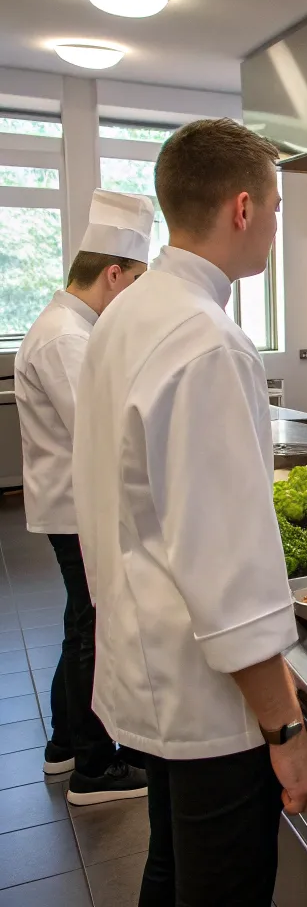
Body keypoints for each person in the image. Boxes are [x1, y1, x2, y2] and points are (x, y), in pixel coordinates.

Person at [72, 119, 307, 906]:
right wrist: (285, 731)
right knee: (220, 885)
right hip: (207, 694)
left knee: (171, 870)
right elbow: (226, 567)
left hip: (148, 665)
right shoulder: (209, 341)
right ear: (244, 208)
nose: (277, 226)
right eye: (279, 208)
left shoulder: (128, 312)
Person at [15, 189, 153, 806]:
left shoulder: (67, 325)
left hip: (68, 503)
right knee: (93, 629)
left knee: (79, 622)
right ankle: (96, 768)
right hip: (77, 507)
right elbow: (101, 434)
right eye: (136, 283)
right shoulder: (66, 337)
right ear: (114, 273)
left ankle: (65, 745)